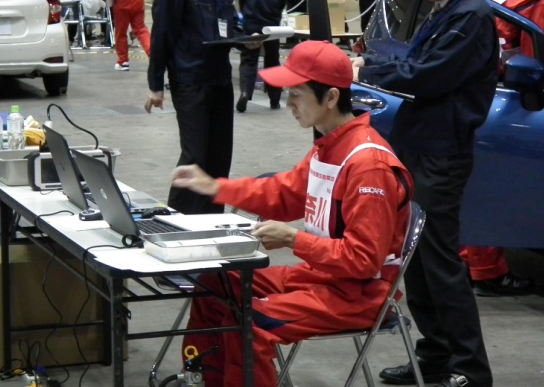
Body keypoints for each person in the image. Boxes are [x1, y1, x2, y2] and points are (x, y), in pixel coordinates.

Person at [173, 40, 414, 387]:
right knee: (214, 283)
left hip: (357, 295)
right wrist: (215, 187)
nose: (289, 105)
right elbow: (283, 193)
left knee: (251, 324)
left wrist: (293, 239)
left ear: (330, 97)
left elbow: (363, 260)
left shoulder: (367, 166)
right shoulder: (331, 145)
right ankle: (207, 380)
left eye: (297, 94)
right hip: (321, 278)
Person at [352, 0, 497, 387]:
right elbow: (414, 65)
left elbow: (424, 74)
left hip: (442, 153)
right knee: (414, 259)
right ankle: (432, 358)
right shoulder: (445, 8)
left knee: (440, 262)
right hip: (419, 148)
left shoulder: (471, 17)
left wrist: (367, 66)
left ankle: (469, 370)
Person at [145, 0, 255, 215]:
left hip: (220, 79)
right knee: (195, 155)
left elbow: (226, 27)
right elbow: (162, 35)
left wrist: (244, 41)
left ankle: (210, 221)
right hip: (191, 80)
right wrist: (155, 84)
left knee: (219, 156)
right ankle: (177, 220)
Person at [236, 0, 288, 112]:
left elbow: (242, 0)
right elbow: (282, 5)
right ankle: (274, 99)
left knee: (249, 59)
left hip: (251, 23)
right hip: (272, 27)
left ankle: (245, 92)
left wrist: (248, 16)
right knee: (272, 60)